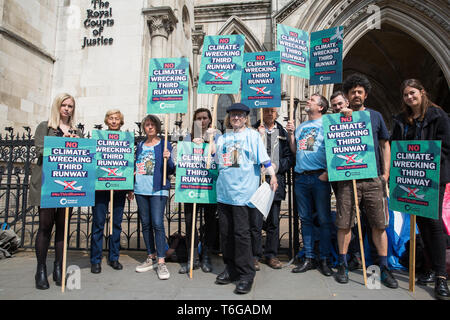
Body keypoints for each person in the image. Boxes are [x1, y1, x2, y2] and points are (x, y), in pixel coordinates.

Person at [334, 73, 398, 289]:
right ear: (348, 95)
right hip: (348, 178)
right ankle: (342, 264)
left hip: (372, 179)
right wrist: (342, 116)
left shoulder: (375, 116)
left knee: (379, 224)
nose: (356, 94)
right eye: (353, 91)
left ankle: (383, 268)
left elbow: (384, 145)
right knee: (344, 224)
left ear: (366, 95)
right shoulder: (341, 116)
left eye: (360, 91)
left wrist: (386, 174)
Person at [391, 79, 450, 300]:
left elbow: (446, 145)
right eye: (406, 95)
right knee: (420, 224)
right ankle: (429, 268)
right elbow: (397, 146)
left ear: (422, 92)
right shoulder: (401, 120)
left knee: (433, 224)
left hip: (432, 178)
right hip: (410, 178)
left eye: (412, 93)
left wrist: (427, 162)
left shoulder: (438, 116)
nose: (409, 98)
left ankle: (442, 277)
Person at [211, 103, 278, 294]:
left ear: (246, 118)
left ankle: (246, 273)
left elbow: (264, 159)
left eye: (240, 115)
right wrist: (211, 146)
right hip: (224, 193)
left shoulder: (252, 136)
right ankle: (230, 268)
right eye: (233, 115)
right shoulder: (223, 137)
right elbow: (216, 162)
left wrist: (272, 175)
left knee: (241, 235)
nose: (236, 118)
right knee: (226, 234)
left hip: (243, 194)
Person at [30, 93, 82, 289]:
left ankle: (59, 267)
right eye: (64, 105)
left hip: (67, 186)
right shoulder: (45, 127)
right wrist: (62, 143)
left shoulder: (76, 131)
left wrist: (75, 142)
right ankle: (41, 269)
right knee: (45, 227)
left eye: (70, 106)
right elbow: (40, 151)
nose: (67, 109)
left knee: (62, 227)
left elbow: (83, 155)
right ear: (57, 107)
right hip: (47, 184)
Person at [286, 94, 334, 277]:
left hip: (319, 177)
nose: (308, 101)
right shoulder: (302, 127)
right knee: (305, 218)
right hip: (301, 178)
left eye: (312, 100)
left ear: (321, 107)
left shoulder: (327, 125)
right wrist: (291, 134)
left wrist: (327, 173)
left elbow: (335, 149)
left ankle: (324, 259)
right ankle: (309, 257)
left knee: (323, 219)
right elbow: (295, 150)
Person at [330, 91, 378, 270]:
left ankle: (361, 255)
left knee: (364, 220)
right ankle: (350, 256)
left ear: (347, 102)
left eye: (340, 103)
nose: (337, 107)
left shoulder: (359, 118)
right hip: (341, 178)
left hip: (362, 177)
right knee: (346, 220)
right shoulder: (331, 124)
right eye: (334, 105)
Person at [128, 115, 175, 280]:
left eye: (152, 124)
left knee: (157, 223)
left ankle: (161, 261)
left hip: (158, 189)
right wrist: (131, 186)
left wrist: (168, 159)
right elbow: (137, 166)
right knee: (146, 224)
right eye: (147, 125)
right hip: (141, 189)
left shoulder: (164, 144)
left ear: (157, 127)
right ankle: (151, 256)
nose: (149, 127)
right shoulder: (140, 145)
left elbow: (170, 170)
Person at [179, 108, 219, 274]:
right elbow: (179, 157)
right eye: (198, 118)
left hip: (209, 185)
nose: (202, 121)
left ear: (210, 120)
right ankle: (192, 257)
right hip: (191, 186)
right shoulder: (188, 136)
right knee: (190, 222)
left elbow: (223, 157)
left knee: (209, 223)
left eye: (204, 118)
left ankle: (206, 257)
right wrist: (190, 145)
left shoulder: (217, 135)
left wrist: (210, 143)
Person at [253, 107, 294, 269]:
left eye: (273, 111)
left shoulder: (282, 132)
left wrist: (277, 166)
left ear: (277, 113)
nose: (270, 114)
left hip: (275, 182)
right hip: (256, 181)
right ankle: (254, 255)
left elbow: (290, 158)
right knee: (255, 222)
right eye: (267, 111)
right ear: (261, 112)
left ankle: (271, 254)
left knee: (273, 221)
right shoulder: (253, 130)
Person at [90, 110, 128, 274]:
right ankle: (95, 260)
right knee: (98, 224)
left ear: (121, 121)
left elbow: (128, 163)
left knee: (116, 224)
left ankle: (114, 257)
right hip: (100, 186)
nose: (114, 121)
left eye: (117, 119)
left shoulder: (126, 139)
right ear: (107, 120)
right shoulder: (99, 137)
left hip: (119, 187)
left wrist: (129, 187)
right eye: (111, 118)